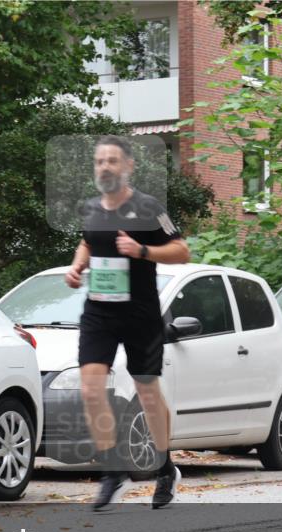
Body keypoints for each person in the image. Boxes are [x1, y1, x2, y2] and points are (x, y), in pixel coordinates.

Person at [65, 135, 191, 511]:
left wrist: (142, 251)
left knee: (147, 390)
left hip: (141, 313)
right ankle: (112, 471)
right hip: (99, 311)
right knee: (90, 389)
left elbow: (182, 251)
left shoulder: (149, 208)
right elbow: (87, 243)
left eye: (112, 161)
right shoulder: (90, 208)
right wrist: (77, 266)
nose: (104, 167)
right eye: (99, 161)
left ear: (129, 166)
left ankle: (165, 467)